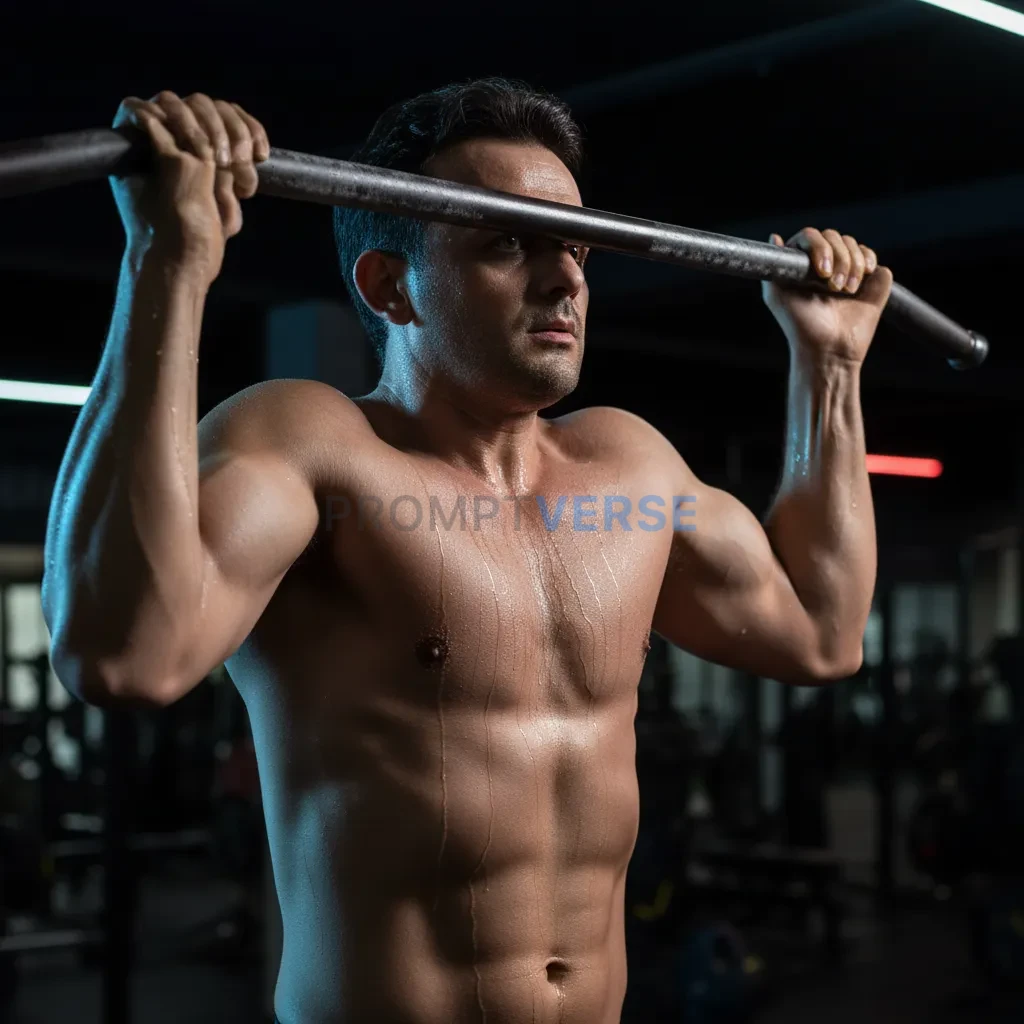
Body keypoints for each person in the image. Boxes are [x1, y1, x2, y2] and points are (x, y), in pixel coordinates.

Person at [42, 78, 890, 1024]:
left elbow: (822, 632)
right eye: (505, 242)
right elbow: (121, 651)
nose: (565, 276)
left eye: (573, 244)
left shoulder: (631, 467)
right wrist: (170, 258)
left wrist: (833, 367)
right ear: (389, 284)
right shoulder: (316, 448)